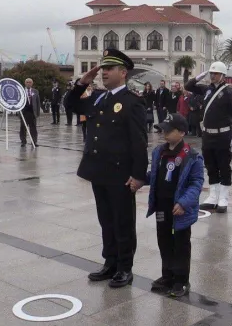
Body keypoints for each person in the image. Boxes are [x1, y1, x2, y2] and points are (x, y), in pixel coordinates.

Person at [67, 48, 148, 288]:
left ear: (123, 73)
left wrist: (138, 176)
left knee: (123, 221)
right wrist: (83, 82)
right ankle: (110, 262)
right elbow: (70, 104)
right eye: (102, 68)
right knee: (106, 220)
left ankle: (124, 267)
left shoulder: (132, 102)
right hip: (98, 171)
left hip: (120, 174)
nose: (104, 73)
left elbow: (139, 142)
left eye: (109, 68)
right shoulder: (98, 97)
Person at [146, 113, 204, 297]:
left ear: (181, 132)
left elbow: (196, 183)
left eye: (169, 130)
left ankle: (181, 279)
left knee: (181, 244)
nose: (164, 133)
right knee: (163, 240)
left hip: (180, 208)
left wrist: (184, 202)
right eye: (163, 129)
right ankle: (167, 275)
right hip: (162, 207)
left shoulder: (192, 156)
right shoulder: (159, 152)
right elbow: (154, 175)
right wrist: (140, 180)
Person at [185, 61, 232, 213]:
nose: (212, 76)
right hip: (208, 134)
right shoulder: (207, 90)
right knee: (210, 165)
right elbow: (188, 86)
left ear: (223, 75)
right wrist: (199, 76)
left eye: (215, 73)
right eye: (211, 73)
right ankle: (213, 196)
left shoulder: (230, 91)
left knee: (223, 166)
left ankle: (223, 197)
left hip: (223, 135)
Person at [20, 78, 41, 147]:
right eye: (27, 82)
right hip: (24, 112)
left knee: (33, 128)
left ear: (32, 83)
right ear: (25, 83)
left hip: (32, 112)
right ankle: (23, 141)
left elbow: (38, 102)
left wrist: (37, 113)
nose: (28, 83)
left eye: (30, 82)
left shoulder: (35, 91)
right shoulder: (21, 91)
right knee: (23, 127)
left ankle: (34, 141)